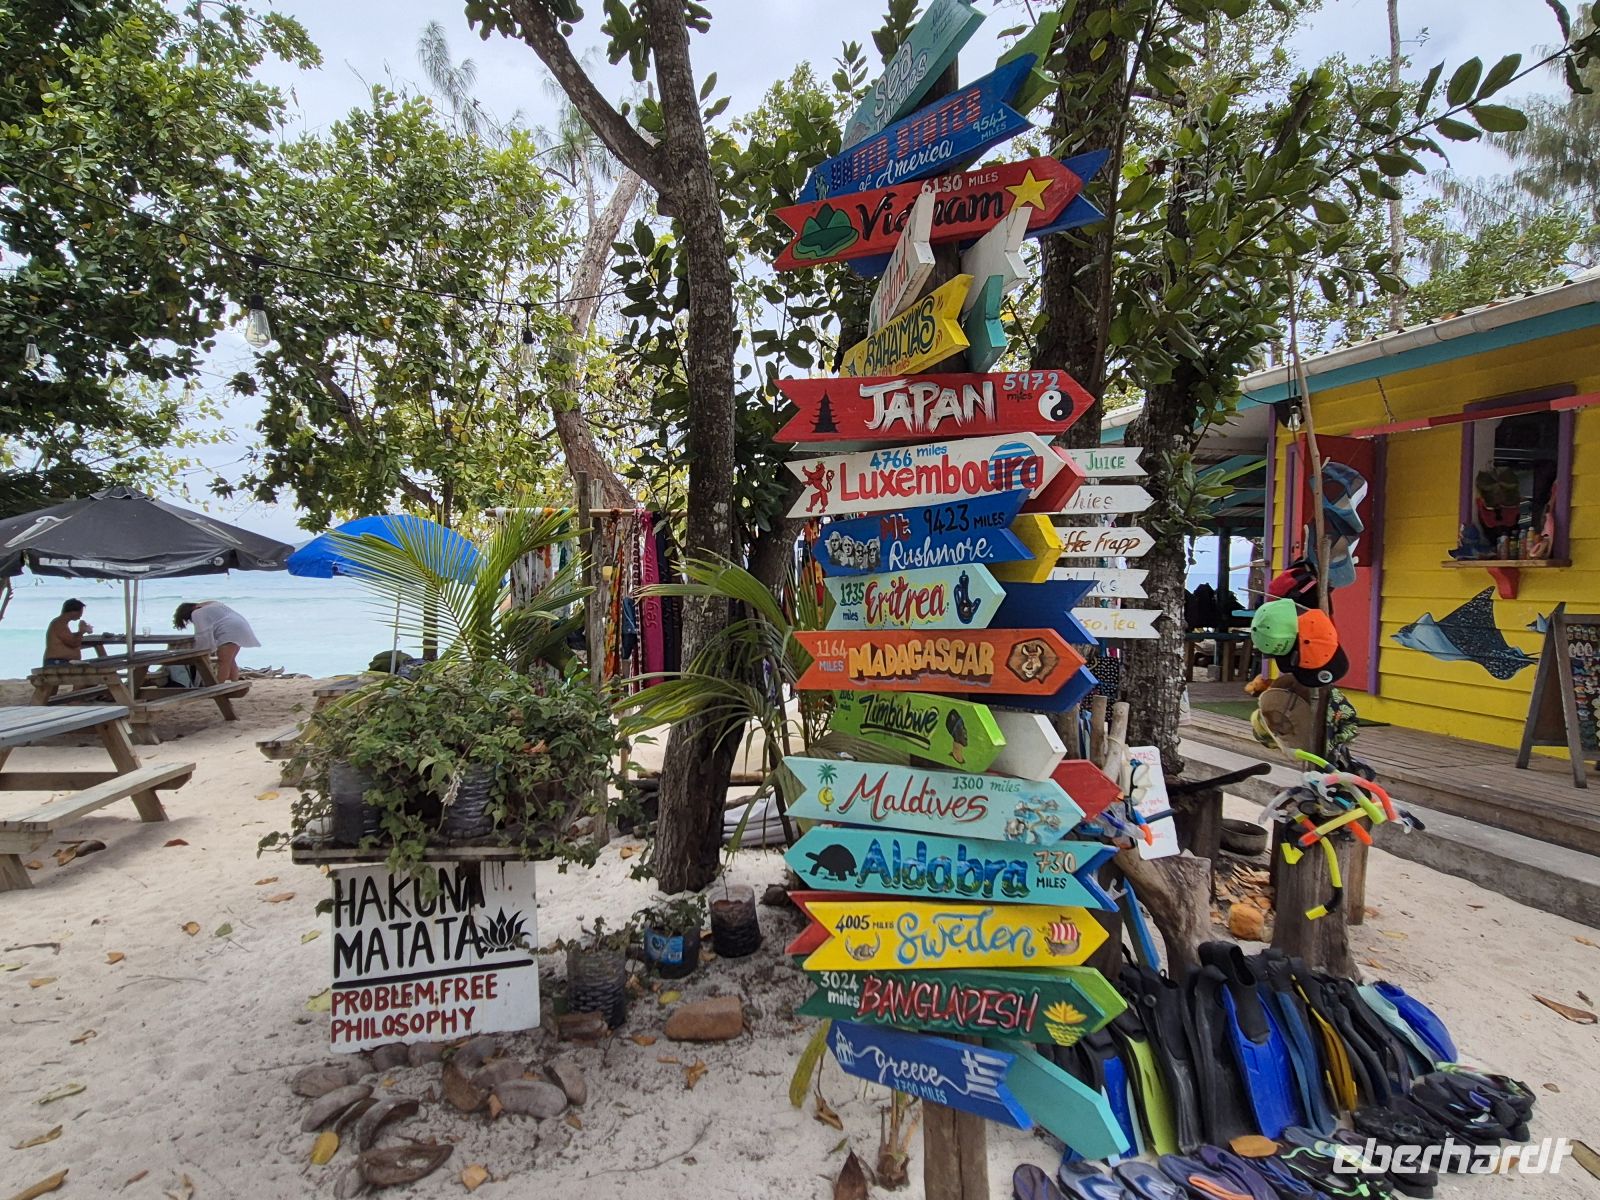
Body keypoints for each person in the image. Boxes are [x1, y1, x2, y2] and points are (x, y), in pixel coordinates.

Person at [173, 600, 260, 683]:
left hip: (229, 631)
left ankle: (218, 686)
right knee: (230, 660)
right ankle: (234, 682)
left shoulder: (197, 613)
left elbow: (202, 634)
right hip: (241, 627)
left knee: (223, 662)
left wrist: (199, 651)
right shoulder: (213, 604)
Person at [44, 598, 92, 665]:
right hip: (57, 662)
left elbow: (69, 638)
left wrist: (81, 632)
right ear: (73, 612)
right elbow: (74, 643)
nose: (81, 615)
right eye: (80, 612)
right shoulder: (59, 623)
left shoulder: (62, 623)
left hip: (63, 661)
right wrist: (81, 631)